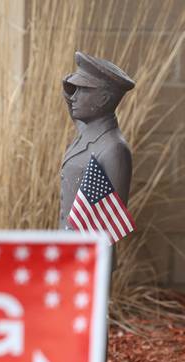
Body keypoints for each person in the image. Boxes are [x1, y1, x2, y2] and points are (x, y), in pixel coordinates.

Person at [59, 51, 135, 230]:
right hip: (69, 250)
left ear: (103, 99)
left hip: (91, 253)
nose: (74, 97)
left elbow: (110, 222)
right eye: (74, 89)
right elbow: (73, 109)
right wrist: (67, 88)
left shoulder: (114, 149)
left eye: (82, 90)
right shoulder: (88, 131)